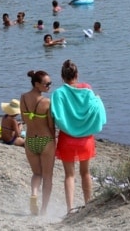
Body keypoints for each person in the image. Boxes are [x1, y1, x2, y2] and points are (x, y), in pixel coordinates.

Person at [50, 60, 106, 215]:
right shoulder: (87, 91)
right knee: (85, 173)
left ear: (62, 77)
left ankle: (70, 208)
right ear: (77, 75)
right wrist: (98, 99)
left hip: (67, 138)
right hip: (86, 139)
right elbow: (96, 109)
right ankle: (88, 205)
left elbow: (55, 116)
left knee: (69, 175)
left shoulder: (58, 94)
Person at [20, 70, 55, 216]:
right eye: (46, 84)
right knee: (48, 177)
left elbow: (24, 118)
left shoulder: (23, 98)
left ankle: (34, 194)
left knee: (36, 173)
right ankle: (44, 210)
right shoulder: (46, 102)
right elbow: (50, 125)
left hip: (30, 141)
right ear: (37, 84)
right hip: (45, 140)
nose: (49, 86)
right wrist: (55, 139)